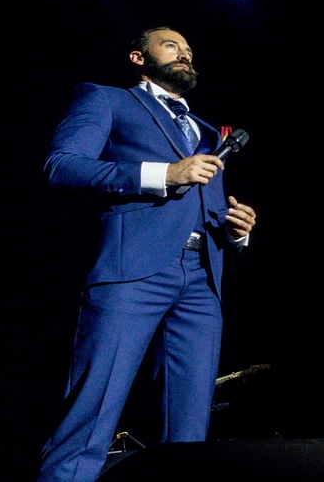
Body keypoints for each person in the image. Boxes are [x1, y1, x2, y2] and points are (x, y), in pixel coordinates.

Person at [37, 26, 257, 482]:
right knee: (92, 412)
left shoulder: (206, 131)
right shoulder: (106, 99)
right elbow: (62, 166)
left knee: (189, 430)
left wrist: (237, 229)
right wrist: (164, 174)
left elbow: (207, 204)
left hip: (202, 280)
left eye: (189, 50)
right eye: (171, 46)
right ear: (139, 57)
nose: (184, 54)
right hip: (132, 270)